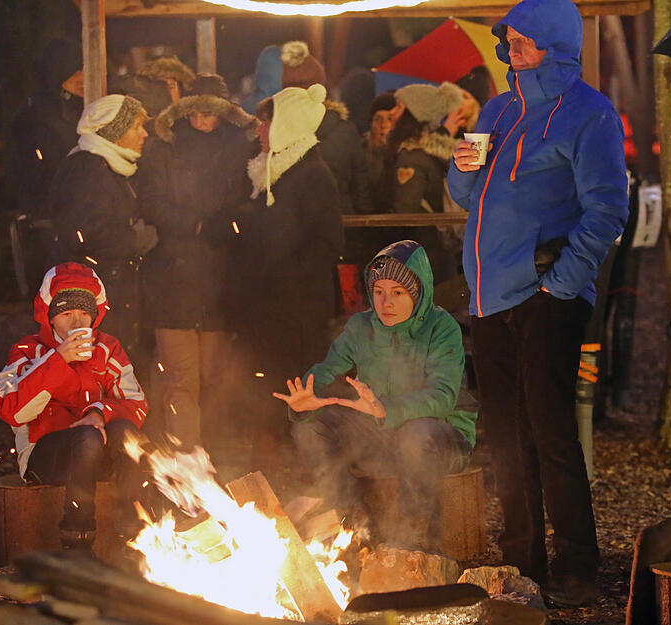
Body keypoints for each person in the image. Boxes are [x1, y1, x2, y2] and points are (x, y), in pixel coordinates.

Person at [448, 0, 628, 607]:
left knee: (551, 432)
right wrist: (460, 167)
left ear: (554, 44)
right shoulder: (499, 110)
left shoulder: (588, 113)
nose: (509, 49)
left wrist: (561, 283)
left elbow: (607, 209)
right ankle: (523, 560)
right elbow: (465, 197)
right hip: (491, 296)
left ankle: (577, 563)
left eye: (522, 41)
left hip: (547, 296)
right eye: (509, 40)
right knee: (504, 434)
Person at [274, 240, 476, 550]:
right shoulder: (362, 326)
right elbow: (328, 368)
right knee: (309, 425)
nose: (386, 303)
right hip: (381, 434)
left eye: (397, 293)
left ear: (418, 291)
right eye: (379, 292)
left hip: (441, 438)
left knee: (415, 433)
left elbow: (443, 397)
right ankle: (350, 520)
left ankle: (414, 534)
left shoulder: (441, 327)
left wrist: (386, 408)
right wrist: (307, 395)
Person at [0, 262, 149, 552]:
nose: (77, 324)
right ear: (50, 317)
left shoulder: (107, 348)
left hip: (97, 455)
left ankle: (135, 534)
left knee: (126, 433)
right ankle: (77, 544)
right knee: (86, 439)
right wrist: (58, 361)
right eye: (66, 314)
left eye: (84, 314)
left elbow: (137, 403)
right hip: (44, 458)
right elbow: (8, 408)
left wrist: (98, 413)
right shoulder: (28, 351)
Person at [139, 73, 259, 449]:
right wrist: (194, 224)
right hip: (174, 277)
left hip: (220, 279)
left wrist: (229, 225)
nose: (200, 120)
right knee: (180, 378)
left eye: (209, 113)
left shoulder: (240, 150)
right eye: (194, 112)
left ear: (224, 114)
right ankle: (184, 456)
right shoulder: (163, 149)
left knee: (215, 375)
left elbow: (248, 199)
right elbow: (151, 202)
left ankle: (217, 455)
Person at [232, 84, 344, 472]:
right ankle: (268, 477)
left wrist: (281, 279)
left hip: (296, 312)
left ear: (287, 126)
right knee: (268, 392)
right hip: (269, 309)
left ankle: (302, 476)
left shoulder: (312, 175)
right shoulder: (270, 174)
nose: (258, 131)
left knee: (292, 391)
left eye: (265, 123)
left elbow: (326, 242)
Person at [49, 94, 158, 364]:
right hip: (92, 297)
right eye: (136, 127)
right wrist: (137, 239)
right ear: (115, 132)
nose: (144, 134)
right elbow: (87, 234)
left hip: (105, 289)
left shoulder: (107, 167)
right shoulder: (88, 170)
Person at [8, 38, 84, 293]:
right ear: (57, 72)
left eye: (85, 69)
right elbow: (39, 173)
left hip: (78, 219)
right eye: (74, 70)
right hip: (49, 223)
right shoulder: (35, 117)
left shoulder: (80, 109)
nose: (82, 77)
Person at [279, 41, 372, 214]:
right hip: (340, 220)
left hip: (292, 225)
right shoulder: (345, 131)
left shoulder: (276, 132)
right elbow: (360, 187)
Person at [387, 82, 464, 284]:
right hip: (436, 256)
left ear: (413, 115)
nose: (391, 114)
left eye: (398, 107)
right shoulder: (433, 154)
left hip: (418, 260)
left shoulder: (411, 159)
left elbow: (404, 214)